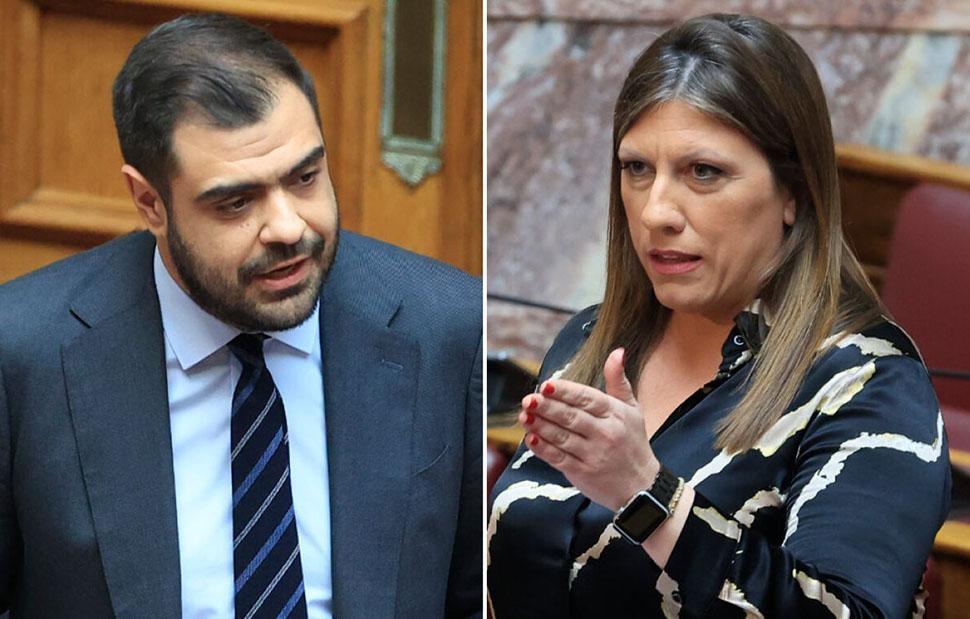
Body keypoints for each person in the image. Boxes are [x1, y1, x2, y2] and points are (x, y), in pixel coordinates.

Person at [0, 13, 482, 618]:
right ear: (150, 202)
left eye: (305, 177)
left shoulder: (447, 329)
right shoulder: (24, 354)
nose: (288, 228)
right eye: (235, 202)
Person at [488, 13, 949, 618]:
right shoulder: (590, 338)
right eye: (637, 169)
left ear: (793, 193)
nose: (655, 212)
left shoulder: (868, 381)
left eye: (703, 172)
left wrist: (648, 494)